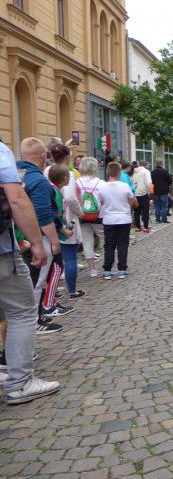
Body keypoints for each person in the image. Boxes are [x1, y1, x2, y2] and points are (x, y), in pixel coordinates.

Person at [0, 140, 61, 403]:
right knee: (22, 311)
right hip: (2, 252)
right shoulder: (2, 154)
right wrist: (37, 242)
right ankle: (20, 382)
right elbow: (17, 199)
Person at [17, 138, 65, 334]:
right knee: (36, 281)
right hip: (36, 238)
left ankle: (35, 316)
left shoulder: (16, 174)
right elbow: (44, 215)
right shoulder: (38, 181)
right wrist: (54, 241)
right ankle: (34, 321)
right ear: (43, 156)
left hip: (19, 238)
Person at [47, 164, 85, 301]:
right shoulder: (57, 192)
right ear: (64, 178)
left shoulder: (53, 189)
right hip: (61, 230)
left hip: (57, 229)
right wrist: (63, 229)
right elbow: (57, 214)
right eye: (69, 176)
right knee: (67, 259)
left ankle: (52, 293)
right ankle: (70, 292)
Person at [98, 162, 137, 280]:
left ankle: (107, 270)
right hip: (124, 218)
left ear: (107, 172)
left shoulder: (102, 187)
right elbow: (132, 202)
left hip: (109, 219)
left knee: (109, 245)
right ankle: (121, 269)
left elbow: (101, 202)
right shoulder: (124, 186)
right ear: (119, 172)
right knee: (122, 244)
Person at [77, 157, 105, 276]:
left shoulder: (77, 182)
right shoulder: (100, 183)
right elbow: (105, 200)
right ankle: (110, 266)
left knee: (87, 242)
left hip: (82, 215)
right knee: (106, 240)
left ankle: (92, 269)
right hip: (99, 216)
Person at [132, 161, 152, 233]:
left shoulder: (133, 171)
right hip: (144, 193)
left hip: (135, 193)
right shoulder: (146, 171)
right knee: (145, 211)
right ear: (145, 165)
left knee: (136, 211)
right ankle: (146, 227)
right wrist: (148, 191)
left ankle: (138, 227)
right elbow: (149, 182)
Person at [151, 159, 172, 224]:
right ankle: (164, 219)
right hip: (164, 191)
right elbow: (170, 181)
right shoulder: (165, 171)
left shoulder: (153, 172)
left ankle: (157, 219)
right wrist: (166, 184)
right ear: (162, 163)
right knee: (164, 206)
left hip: (156, 191)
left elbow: (151, 182)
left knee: (157, 206)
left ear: (156, 163)